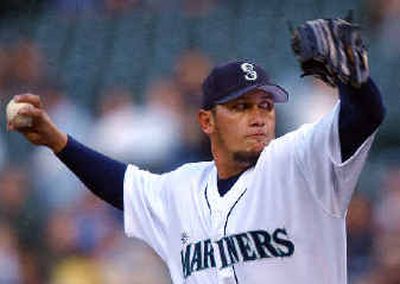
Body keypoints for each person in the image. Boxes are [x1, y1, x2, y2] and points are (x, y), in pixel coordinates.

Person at [7, 55, 385, 284]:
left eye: (265, 106)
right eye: (241, 107)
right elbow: (119, 185)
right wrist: (57, 141)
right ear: (207, 121)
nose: (259, 118)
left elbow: (364, 115)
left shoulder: (298, 161)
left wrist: (353, 76)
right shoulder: (181, 188)